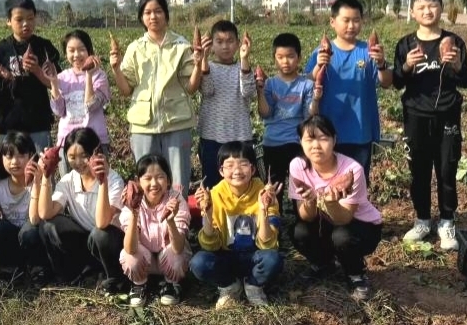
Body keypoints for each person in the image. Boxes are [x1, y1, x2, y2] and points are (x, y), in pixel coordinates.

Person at [393, 0, 467, 251]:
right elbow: (395, 81)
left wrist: (457, 66)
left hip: (448, 114)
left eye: (433, 5)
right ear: (413, 12)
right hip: (416, 115)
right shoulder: (405, 44)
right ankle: (423, 220)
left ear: (440, 8)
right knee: (418, 170)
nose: (428, 11)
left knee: (447, 169)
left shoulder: (454, 42)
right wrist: (406, 66)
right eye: (421, 7)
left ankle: (447, 221)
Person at [109, 0, 203, 194]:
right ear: (141, 17)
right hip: (143, 126)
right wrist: (116, 69)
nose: (153, 16)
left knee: (178, 181)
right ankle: (148, 225)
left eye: (158, 11)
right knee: (147, 181)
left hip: (176, 122)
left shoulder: (181, 46)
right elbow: (125, 90)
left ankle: (179, 224)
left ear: (166, 14)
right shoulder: (135, 48)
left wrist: (197, 65)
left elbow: (191, 88)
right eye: (147, 12)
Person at [289, 115, 383, 302]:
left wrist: (331, 202)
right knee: (299, 232)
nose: (316, 145)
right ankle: (323, 264)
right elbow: (306, 217)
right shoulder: (297, 166)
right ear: (301, 142)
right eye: (309, 139)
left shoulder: (352, 169)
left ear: (334, 140)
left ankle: (356, 274)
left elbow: (344, 219)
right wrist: (309, 201)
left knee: (342, 237)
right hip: (324, 221)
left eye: (323, 138)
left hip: (360, 225)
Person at [304, 0, 393, 183]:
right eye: (346, 20)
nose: (351, 25)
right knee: (327, 182)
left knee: (357, 183)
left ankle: (354, 213)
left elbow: (386, 82)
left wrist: (382, 64)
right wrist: (318, 67)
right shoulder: (320, 53)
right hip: (326, 132)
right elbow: (309, 81)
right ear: (332, 22)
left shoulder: (369, 52)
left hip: (360, 131)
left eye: (356, 20)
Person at [34, 127, 129, 296]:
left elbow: (102, 222)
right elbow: (45, 213)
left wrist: (103, 182)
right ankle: (70, 274)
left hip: (110, 241)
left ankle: (114, 277)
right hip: (86, 241)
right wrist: (46, 177)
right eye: (72, 157)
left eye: (84, 156)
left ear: (96, 152)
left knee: (99, 234)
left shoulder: (114, 180)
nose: (78, 163)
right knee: (49, 225)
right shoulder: (69, 180)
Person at [189, 141, 284, 309]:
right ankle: (230, 286)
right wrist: (209, 213)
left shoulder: (265, 194)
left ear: (253, 169)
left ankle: (254, 285)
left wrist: (263, 210)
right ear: (221, 171)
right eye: (230, 165)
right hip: (226, 256)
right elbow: (210, 245)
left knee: (273, 259)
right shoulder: (214, 195)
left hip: (255, 256)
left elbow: (268, 243)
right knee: (199, 262)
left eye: (243, 164)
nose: (237, 171)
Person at [0, 0, 61, 152]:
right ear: (8, 21)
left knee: (40, 169)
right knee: (11, 169)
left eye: (30, 18)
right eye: (19, 19)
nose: (25, 24)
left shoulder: (44, 48)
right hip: (8, 123)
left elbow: (57, 83)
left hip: (38, 122)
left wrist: (37, 70)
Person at [0, 131, 49, 283]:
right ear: (1, 159)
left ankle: (38, 268)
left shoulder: (42, 182)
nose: (15, 161)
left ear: (31, 156)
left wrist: (37, 183)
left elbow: (34, 219)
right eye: (9, 156)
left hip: (35, 239)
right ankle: (12, 266)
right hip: (14, 240)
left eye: (21, 155)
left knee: (29, 231)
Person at [119, 154, 192, 307]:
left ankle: (171, 283)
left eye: (160, 177)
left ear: (168, 180)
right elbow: (130, 248)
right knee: (128, 256)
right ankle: (139, 284)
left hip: (169, 257)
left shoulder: (176, 200)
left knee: (179, 255)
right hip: (144, 259)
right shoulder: (132, 201)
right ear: (138, 181)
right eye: (147, 178)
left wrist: (171, 221)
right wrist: (134, 213)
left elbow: (178, 247)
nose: (154, 183)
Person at [258, 32, 321, 208]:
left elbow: (310, 116)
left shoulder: (306, 85)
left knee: (300, 184)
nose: (285, 61)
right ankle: (273, 222)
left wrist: (316, 99)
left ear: (299, 58)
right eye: (280, 57)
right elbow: (265, 113)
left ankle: (301, 218)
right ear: (274, 59)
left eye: (290, 56)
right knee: (273, 186)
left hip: (297, 143)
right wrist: (260, 92)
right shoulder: (270, 84)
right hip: (273, 143)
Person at [196, 20, 257, 187]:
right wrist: (204, 59)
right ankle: (212, 213)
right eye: (220, 42)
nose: (225, 46)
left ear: (238, 44)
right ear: (212, 45)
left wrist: (245, 60)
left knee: (242, 181)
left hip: (240, 135)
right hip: (211, 135)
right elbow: (206, 90)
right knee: (212, 183)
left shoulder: (242, 68)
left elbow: (249, 92)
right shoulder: (208, 67)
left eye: (230, 41)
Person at [48, 29, 112, 177]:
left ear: (90, 51)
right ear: (66, 53)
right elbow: (58, 111)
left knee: (98, 185)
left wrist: (89, 75)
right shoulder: (62, 77)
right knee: (70, 188)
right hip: (67, 144)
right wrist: (54, 84)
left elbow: (91, 105)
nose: (76, 55)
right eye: (71, 50)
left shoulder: (99, 77)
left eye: (82, 50)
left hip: (95, 141)